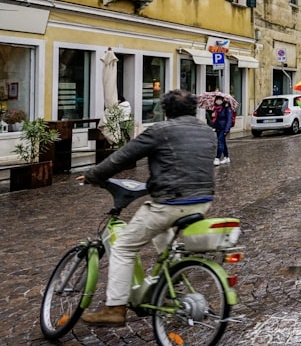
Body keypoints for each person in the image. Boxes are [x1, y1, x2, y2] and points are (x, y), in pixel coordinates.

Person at [78, 89, 215, 326]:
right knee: (164, 237)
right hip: (202, 201)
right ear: (194, 109)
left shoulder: (159, 131)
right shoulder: (207, 132)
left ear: (166, 111)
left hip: (171, 201)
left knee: (123, 247)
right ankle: (171, 285)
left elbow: (121, 157)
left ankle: (115, 308)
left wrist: (92, 175)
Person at [210, 94, 234, 165]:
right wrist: (212, 116)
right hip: (218, 128)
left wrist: (227, 129)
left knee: (220, 142)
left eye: (220, 99)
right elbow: (214, 119)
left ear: (223, 100)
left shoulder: (227, 108)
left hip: (224, 128)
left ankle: (217, 158)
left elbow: (229, 119)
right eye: (217, 99)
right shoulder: (215, 108)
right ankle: (226, 157)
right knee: (223, 142)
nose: (218, 101)